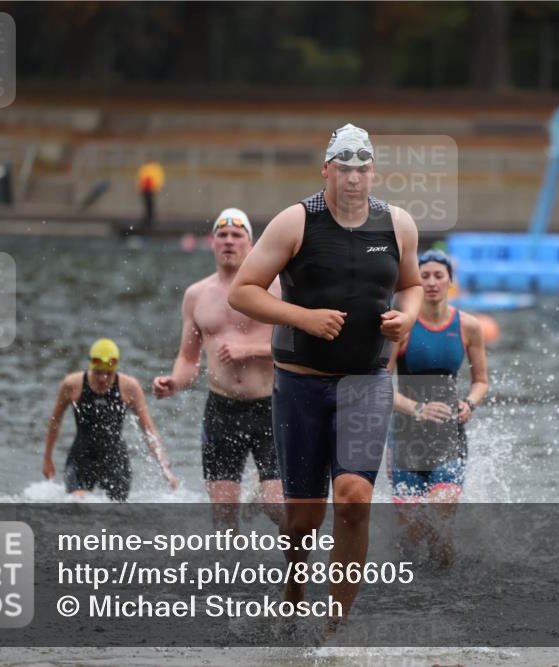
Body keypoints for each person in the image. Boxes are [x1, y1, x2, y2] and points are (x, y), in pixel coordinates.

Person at [227, 123, 423, 624]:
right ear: (327, 170)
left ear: (374, 171)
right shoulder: (296, 221)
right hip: (300, 384)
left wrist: (409, 315)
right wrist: (303, 317)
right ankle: (293, 597)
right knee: (305, 518)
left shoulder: (397, 224)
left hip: (366, 382)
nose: (354, 178)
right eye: (344, 168)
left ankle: (336, 625)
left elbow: (412, 284)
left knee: (354, 500)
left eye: (362, 168)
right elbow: (244, 290)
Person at [153, 208, 284, 528]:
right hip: (222, 411)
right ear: (212, 243)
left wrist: (248, 350)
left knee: (277, 507)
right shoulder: (197, 295)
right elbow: (188, 358)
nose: (229, 241)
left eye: (237, 235)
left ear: (251, 244)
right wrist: (174, 382)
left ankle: (293, 575)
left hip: (272, 407)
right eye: (222, 235)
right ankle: (234, 576)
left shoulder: (278, 288)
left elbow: (301, 349)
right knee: (223, 519)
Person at [387, 249, 488, 566]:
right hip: (406, 437)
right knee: (413, 532)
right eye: (423, 276)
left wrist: (469, 402)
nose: (431, 282)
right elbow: (379, 386)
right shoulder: (402, 326)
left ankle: (447, 591)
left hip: (448, 436)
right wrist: (417, 408)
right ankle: (408, 587)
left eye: (438, 276)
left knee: (441, 522)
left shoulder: (467, 326)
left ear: (450, 282)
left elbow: (481, 381)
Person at [44, 338, 178, 501]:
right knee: (78, 503)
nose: (102, 378)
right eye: (98, 372)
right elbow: (55, 421)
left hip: (115, 460)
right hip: (81, 458)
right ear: (90, 366)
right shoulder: (72, 384)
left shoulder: (129, 387)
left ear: (116, 368)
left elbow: (148, 429)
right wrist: (47, 458)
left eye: (108, 373)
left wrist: (164, 467)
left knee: (116, 512)